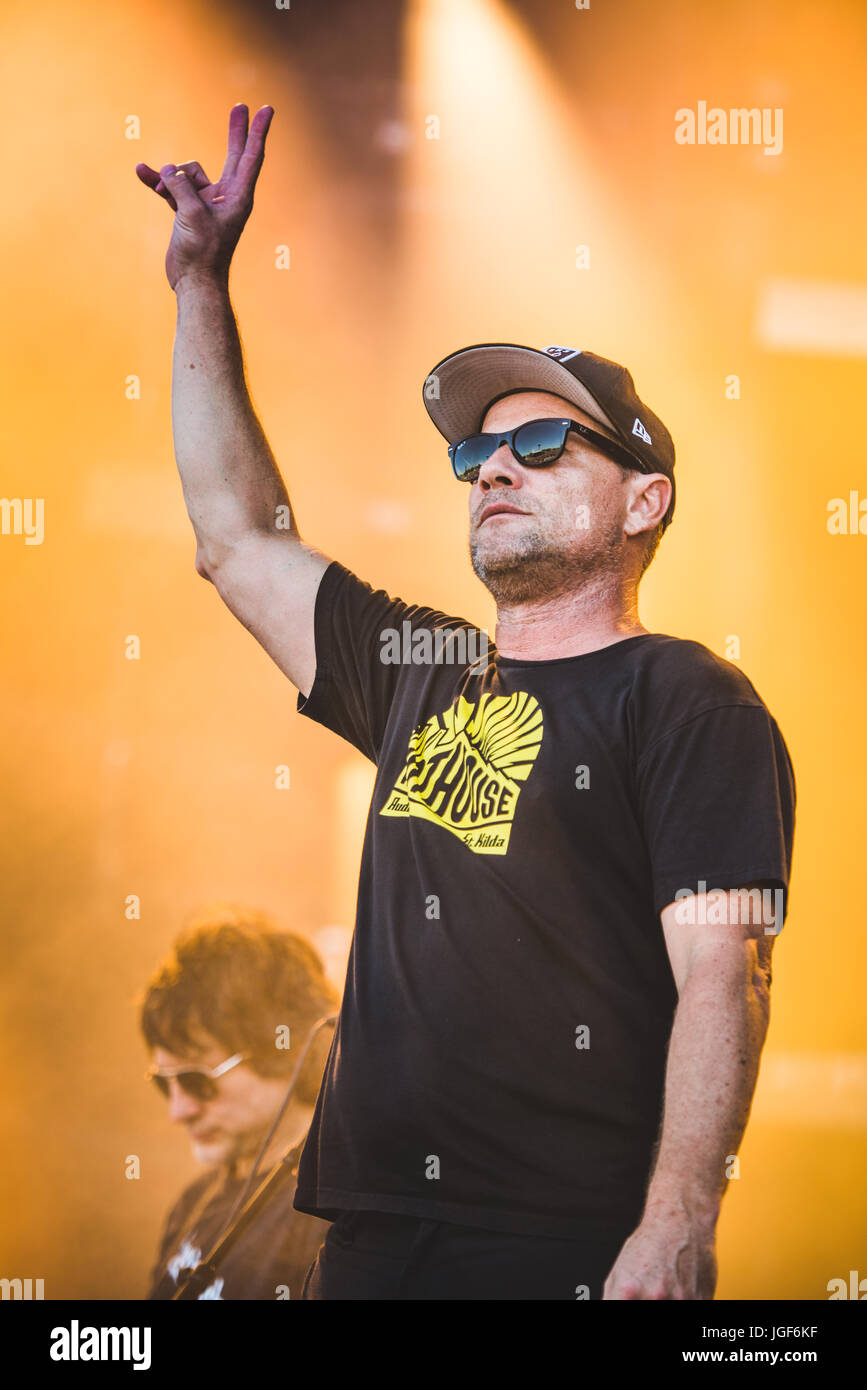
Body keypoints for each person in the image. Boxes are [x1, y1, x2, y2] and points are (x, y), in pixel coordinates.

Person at [136, 104, 796, 1300]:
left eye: (542, 443)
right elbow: (233, 538)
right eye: (474, 455)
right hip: (369, 1232)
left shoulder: (692, 697)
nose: (493, 466)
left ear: (645, 502)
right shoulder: (415, 665)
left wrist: (680, 1220)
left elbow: (726, 976)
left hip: (559, 1241)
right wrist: (197, 284)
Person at [141, 906, 337, 1299]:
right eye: (165, 1085)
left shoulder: (336, 1219)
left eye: (196, 1080)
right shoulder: (193, 1203)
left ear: (285, 1048)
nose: (178, 1112)